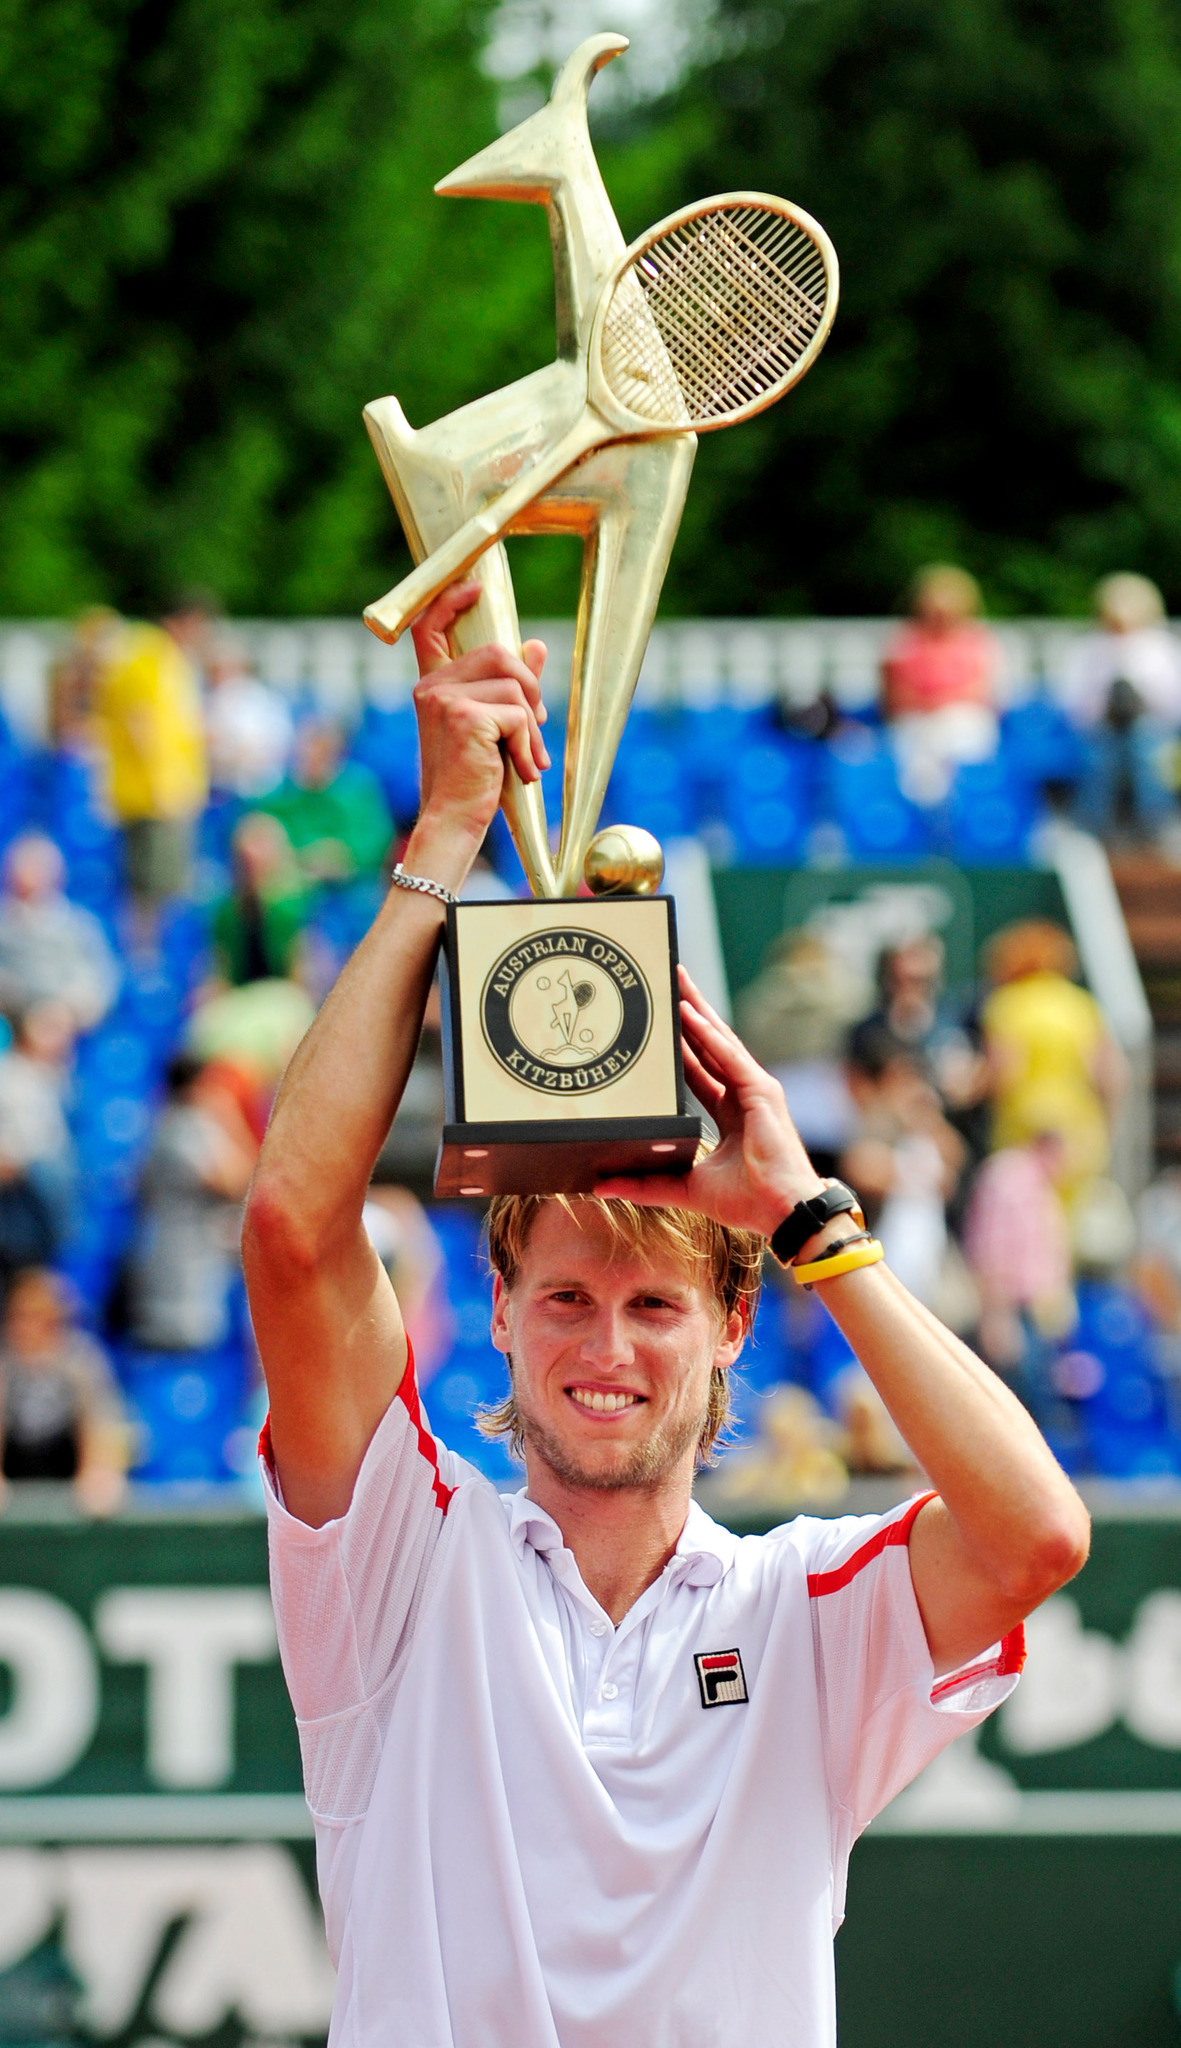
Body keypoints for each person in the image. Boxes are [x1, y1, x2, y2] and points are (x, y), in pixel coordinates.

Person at [242, 583, 1089, 2048]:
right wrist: (442, 841)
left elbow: (1037, 1537)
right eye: (564, 1297)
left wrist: (812, 1224)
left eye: (654, 1303)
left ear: (733, 1328)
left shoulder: (801, 1611)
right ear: (496, 1311)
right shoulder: (399, 1561)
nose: (607, 1348)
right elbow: (291, 1228)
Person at [981, 919, 1126, 1203]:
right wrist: (1107, 1127)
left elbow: (1005, 1073)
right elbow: (1107, 1075)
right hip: (1079, 1129)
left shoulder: (1006, 1004)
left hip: (1023, 1129)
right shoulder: (1082, 1004)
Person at [89, 601, 210, 926]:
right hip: (156, 795)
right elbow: (140, 721)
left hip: (154, 791)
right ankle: (150, 963)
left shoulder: (161, 658)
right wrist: (165, 787)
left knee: (156, 886)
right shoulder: (151, 656)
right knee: (158, 888)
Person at [129, 1054, 258, 1353]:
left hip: (193, 1260)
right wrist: (230, 1119)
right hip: (179, 1268)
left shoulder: (179, 1123)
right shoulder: (182, 1127)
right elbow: (240, 1184)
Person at [1058, 572, 1181, 841]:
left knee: (1146, 749)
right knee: (1099, 756)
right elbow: (1072, 702)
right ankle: (1093, 831)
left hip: (1150, 728)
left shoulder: (1161, 647)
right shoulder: (1087, 648)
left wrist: (1138, 691)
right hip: (1099, 729)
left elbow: (1173, 705)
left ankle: (1155, 829)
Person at [0, 1268, 130, 1513]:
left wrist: (99, 1471)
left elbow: (103, 1423)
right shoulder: (4, 1363)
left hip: (66, 1468)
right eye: (19, 1318)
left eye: (37, 1317)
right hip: (14, 1468)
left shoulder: (82, 1361)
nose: (27, 1328)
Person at [880, 563, 1001, 804]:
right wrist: (930, 703)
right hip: (915, 722)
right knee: (917, 759)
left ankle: (960, 812)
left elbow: (983, 693)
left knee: (961, 738)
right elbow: (893, 696)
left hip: (960, 721)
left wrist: (939, 701)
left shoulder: (979, 641)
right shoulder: (901, 642)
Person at [0, 832, 120, 1032]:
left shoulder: (81, 926)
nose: (33, 875)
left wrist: (63, 1011)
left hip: (68, 1028)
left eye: (41, 867)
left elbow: (103, 982)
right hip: (12, 1026)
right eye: (27, 867)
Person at [261, 715, 392, 884]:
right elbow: (263, 827)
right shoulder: (283, 792)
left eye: (319, 751)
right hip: (294, 880)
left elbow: (378, 839)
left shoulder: (358, 787)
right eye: (306, 750)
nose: (311, 756)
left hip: (353, 883)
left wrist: (343, 857)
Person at [211, 812, 309, 988]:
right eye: (244, 863)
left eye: (256, 864)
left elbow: (301, 978)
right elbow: (222, 972)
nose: (251, 870)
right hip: (243, 1001)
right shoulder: (227, 914)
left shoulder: (298, 910)